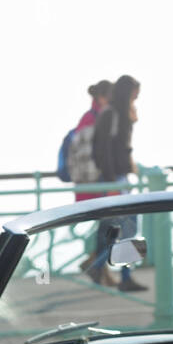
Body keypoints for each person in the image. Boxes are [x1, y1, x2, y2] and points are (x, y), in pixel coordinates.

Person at [89, 75, 146, 291]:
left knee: (116, 227)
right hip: (114, 180)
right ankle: (112, 271)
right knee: (126, 227)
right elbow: (102, 149)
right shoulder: (112, 114)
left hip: (119, 179)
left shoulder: (116, 114)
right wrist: (112, 182)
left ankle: (116, 271)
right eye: (134, 94)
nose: (136, 98)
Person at [72, 80, 116, 285]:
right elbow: (93, 156)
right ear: (102, 97)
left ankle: (97, 265)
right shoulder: (95, 119)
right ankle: (97, 265)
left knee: (107, 226)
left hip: (93, 183)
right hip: (97, 183)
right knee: (111, 225)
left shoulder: (91, 117)